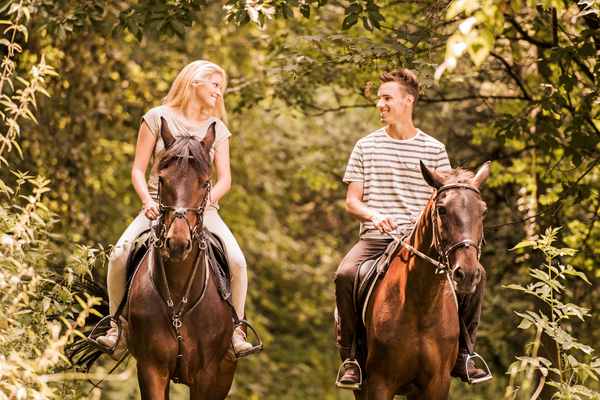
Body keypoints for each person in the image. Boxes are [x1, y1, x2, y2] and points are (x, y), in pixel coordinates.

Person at [334, 69, 488, 389]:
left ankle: (464, 354)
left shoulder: (434, 149)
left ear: (408, 101)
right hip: (378, 237)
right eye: (379, 98)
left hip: (424, 242)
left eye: (386, 98)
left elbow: (446, 200)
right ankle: (351, 357)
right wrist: (373, 216)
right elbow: (352, 202)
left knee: (479, 274)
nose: (380, 104)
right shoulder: (365, 146)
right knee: (345, 274)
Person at [97, 60, 252, 360]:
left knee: (237, 262)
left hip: (203, 211)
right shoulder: (156, 118)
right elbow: (138, 171)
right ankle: (117, 328)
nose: (219, 93)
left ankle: (237, 329)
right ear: (195, 81)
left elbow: (226, 179)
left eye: (222, 88)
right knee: (118, 256)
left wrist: (204, 205)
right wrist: (147, 201)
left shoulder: (217, 129)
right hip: (158, 208)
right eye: (215, 85)